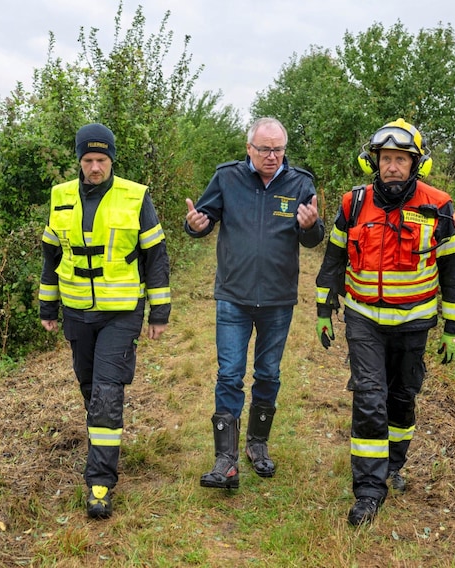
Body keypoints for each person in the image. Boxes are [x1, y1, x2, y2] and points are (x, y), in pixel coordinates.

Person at [314, 118, 455, 526]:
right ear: (374, 162)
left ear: (416, 164)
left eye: (401, 159)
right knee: (369, 399)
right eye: (386, 159)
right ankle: (368, 490)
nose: (393, 167)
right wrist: (322, 308)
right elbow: (333, 260)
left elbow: (454, 272)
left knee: (402, 399)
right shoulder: (353, 203)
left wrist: (454, 327)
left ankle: (394, 465)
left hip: (415, 323)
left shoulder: (439, 205)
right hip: (363, 319)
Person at [39, 123, 171, 519]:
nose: (95, 168)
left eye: (101, 160)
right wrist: (48, 306)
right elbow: (50, 256)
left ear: (112, 159)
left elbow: (156, 256)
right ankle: (105, 438)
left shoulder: (135, 196)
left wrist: (159, 311)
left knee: (107, 393)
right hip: (77, 312)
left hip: (121, 312)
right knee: (89, 389)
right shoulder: (60, 196)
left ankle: (100, 482)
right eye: (88, 160)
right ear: (79, 161)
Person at [185, 117, 324, 490]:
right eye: (264, 149)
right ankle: (225, 460)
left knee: (268, 374)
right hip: (233, 295)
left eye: (278, 149)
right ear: (249, 148)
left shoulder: (300, 182)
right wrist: (195, 225)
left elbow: (312, 240)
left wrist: (311, 226)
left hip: (278, 299)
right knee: (230, 374)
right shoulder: (227, 178)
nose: (272, 156)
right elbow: (202, 218)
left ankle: (257, 445)